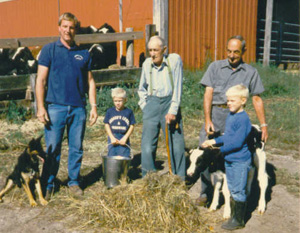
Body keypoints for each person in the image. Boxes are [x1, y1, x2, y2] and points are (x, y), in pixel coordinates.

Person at [196, 35, 269, 205]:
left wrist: (263, 125)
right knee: (206, 152)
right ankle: (205, 192)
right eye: (229, 51)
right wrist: (207, 119)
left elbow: (256, 99)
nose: (231, 55)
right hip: (215, 116)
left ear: (243, 51)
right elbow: (208, 94)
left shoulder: (250, 72)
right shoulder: (215, 67)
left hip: (235, 119)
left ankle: (234, 194)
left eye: (236, 52)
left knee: (233, 152)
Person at [35, 12, 98, 199]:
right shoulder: (49, 50)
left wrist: (93, 106)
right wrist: (40, 107)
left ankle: (74, 182)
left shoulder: (83, 53)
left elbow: (91, 82)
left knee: (76, 147)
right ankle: (48, 183)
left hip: (78, 108)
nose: (68, 30)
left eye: (71, 27)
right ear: (59, 27)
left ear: (75, 29)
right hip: (55, 108)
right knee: (53, 148)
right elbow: (41, 80)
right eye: (64, 26)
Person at [202, 84, 252, 230]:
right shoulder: (231, 115)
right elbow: (227, 136)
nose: (228, 103)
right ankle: (234, 215)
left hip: (239, 161)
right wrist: (213, 140)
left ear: (243, 101)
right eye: (228, 100)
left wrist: (219, 149)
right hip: (230, 159)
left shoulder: (243, 119)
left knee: (238, 190)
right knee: (232, 187)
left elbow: (236, 142)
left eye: (232, 101)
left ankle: (238, 220)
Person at [138, 35, 186, 180]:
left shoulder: (174, 61)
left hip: (169, 103)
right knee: (147, 145)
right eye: (150, 50)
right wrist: (145, 106)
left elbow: (177, 88)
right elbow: (141, 89)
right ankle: (149, 179)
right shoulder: (147, 64)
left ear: (164, 50)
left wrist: (173, 110)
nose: (152, 54)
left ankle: (178, 179)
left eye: (155, 50)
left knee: (176, 143)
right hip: (151, 104)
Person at [103, 87, 135, 158]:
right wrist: (111, 137)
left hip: (123, 137)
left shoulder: (128, 112)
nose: (117, 103)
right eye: (115, 101)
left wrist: (125, 137)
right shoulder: (110, 111)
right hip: (113, 137)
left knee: (123, 157)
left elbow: (132, 125)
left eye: (120, 101)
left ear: (125, 100)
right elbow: (106, 124)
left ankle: (124, 169)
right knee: (112, 157)